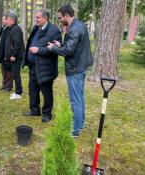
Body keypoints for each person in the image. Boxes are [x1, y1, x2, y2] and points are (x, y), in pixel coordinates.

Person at [45, 5, 93, 137]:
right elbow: (73, 46)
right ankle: (80, 123)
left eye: (60, 17)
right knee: (80, 97)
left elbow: (68, 51)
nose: (60, 20)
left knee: (75, 100)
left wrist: (53, 49)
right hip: (80, 66)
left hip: (75, 68)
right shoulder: (79, 25)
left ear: (66, 15)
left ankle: (75, 130)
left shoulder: (74, 28)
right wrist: (60, 45)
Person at [24, 9, 62, 123]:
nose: (36, 19)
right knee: (33, 89)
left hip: (46, 68)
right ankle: (34, 110)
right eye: (35, 17)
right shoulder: (36, 28)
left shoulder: (54, 31)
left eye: (38, 17)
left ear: (45, 18)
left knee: (46, 91)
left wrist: (39, 50)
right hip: (33, 66)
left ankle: (47, 113)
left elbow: (55, 50)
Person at [5, 12, 25, 100]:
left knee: (16, 75)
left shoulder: (16, 29)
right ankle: (18, 91)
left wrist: (13, 55)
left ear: (12, 20)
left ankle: (18, 92)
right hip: (14, 57)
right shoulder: (13, 28)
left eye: (8, 19)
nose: (7, 21)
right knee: (15, 74)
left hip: (16, 57)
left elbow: (17, 43)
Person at [0, 14, 13, 92]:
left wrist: (8, 53)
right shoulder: (3, 28)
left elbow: (8, 43)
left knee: (8, 70)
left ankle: (9, 86)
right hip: (1, 52)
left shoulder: (9, 29)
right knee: (3, 70)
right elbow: (0, 41)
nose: (2, 21)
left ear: (7, 20)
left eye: (3, 19)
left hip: (7, 53)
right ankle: (4, 84)